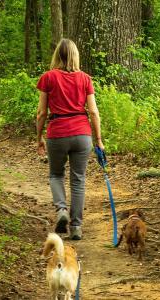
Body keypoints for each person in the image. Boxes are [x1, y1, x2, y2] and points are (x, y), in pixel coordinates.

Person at [36, 39, 104, 240]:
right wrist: (98, 139)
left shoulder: (47, 78)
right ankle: (76, 227)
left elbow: (41, 112)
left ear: (57, 55)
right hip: (82, 134)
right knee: (78, 179)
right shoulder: (85, 79)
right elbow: (93, 111)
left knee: (56, 175)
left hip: (57, 133)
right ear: (75, 55)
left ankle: (62, 210)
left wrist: (39, 137)